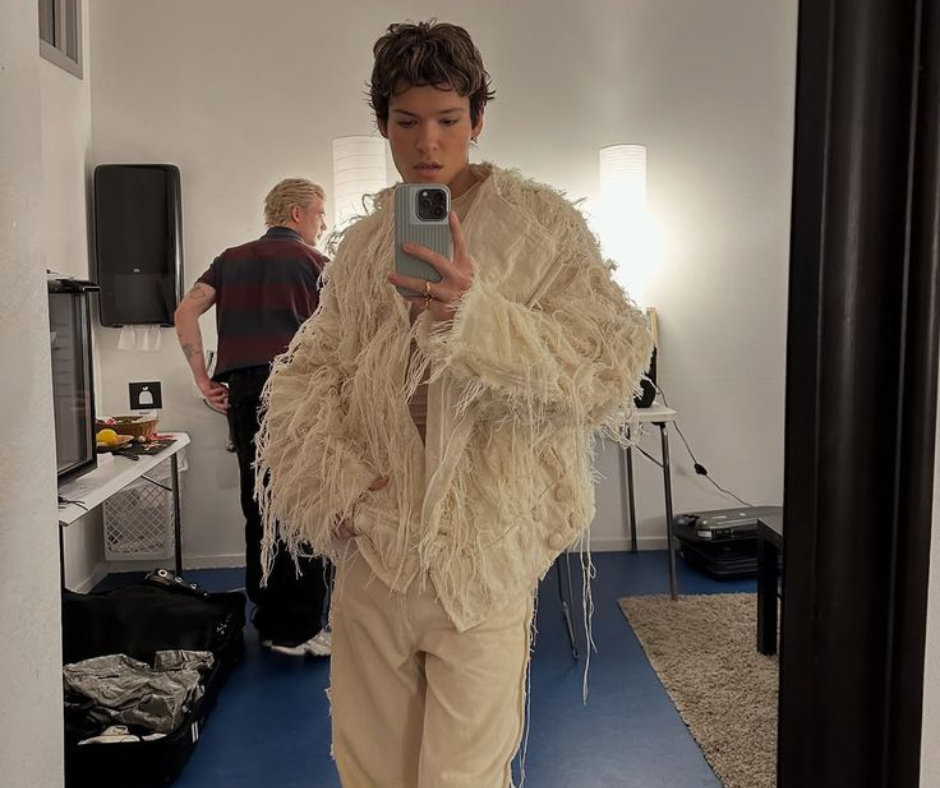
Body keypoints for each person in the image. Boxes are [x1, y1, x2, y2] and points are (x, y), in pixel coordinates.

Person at [255, 21, 654, 787]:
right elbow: (311, 373)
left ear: (478, 118)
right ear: (383, 124)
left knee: (463, 776)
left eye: (447, 119)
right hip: (378, 545)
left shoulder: (541, 228)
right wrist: (343, 489)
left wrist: (476, 315)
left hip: (484, 548)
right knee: (371, 768)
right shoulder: (366, 244)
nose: (428, 143)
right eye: (407, 121)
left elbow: (608, 359)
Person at [173, 178, 333, 657]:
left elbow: (185, 312)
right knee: (304, 503)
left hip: (244, 392)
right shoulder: (317, 263)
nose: (324, 225)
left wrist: (203, 379)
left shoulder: (229, 260)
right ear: (297, 213)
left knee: (260, 503)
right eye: (320, 214)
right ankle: (297, 629)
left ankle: (268, 619)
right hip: (298, 390)